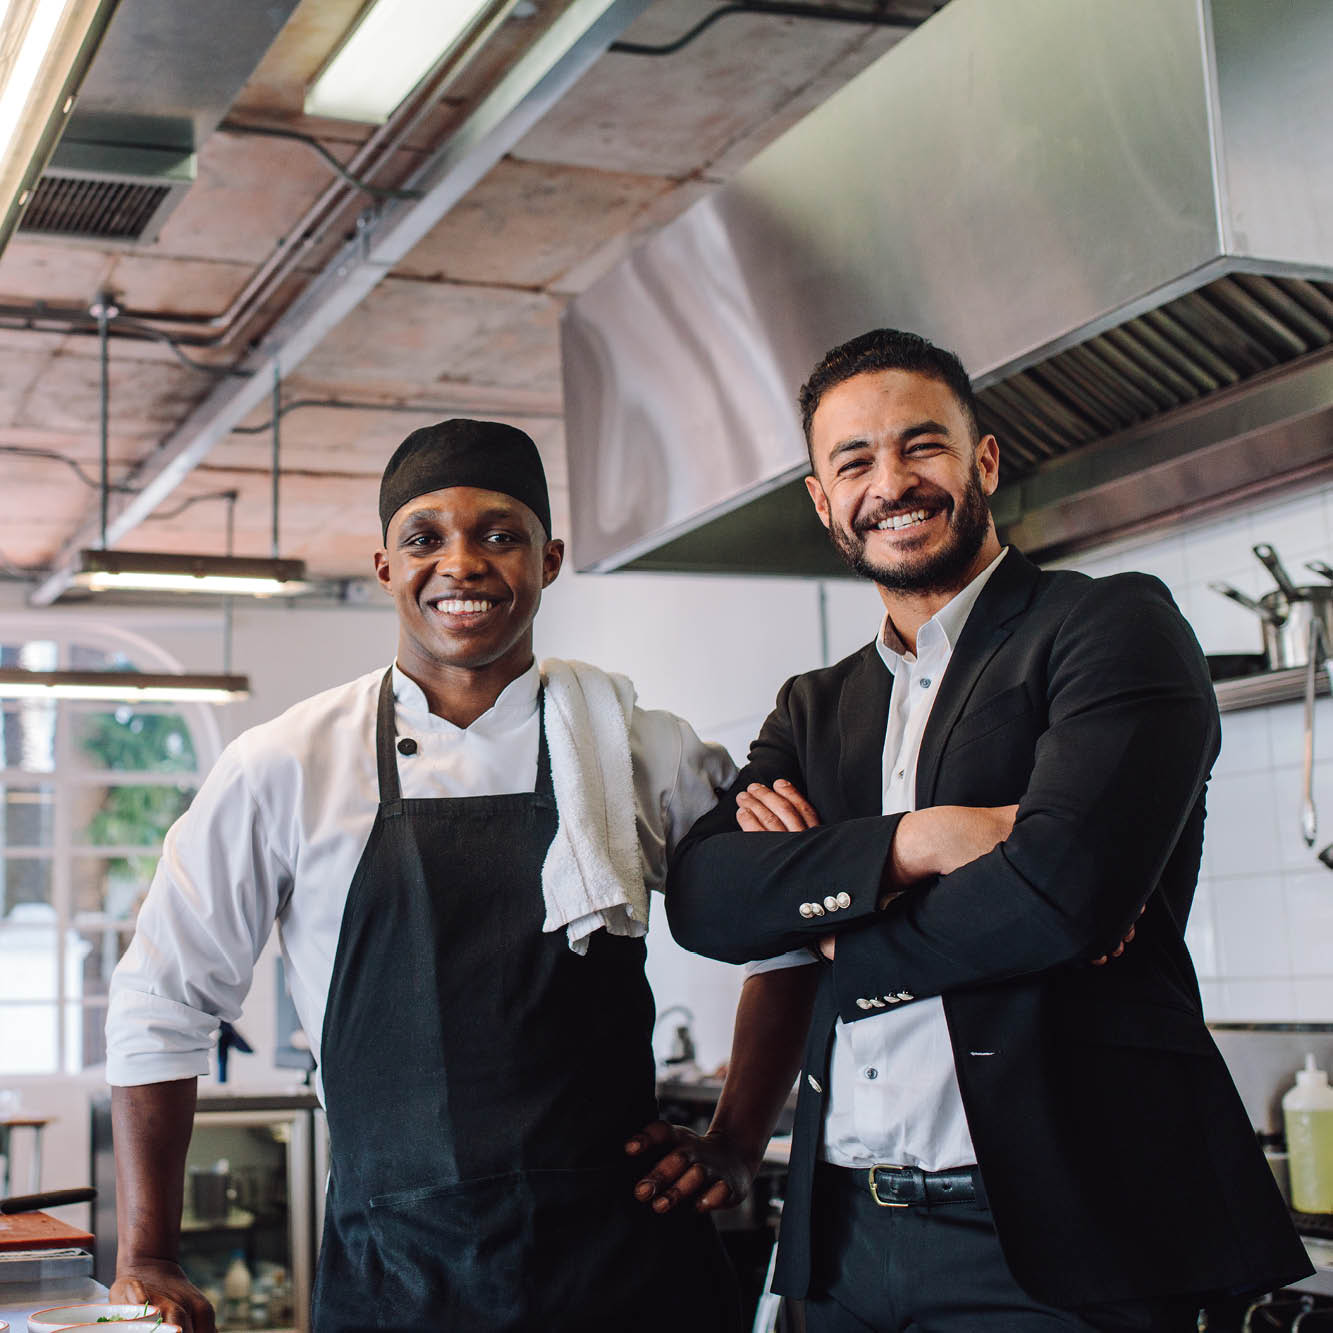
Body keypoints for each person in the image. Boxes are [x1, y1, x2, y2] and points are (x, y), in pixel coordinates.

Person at [662, 330, 1313, 1331]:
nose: (891, 481)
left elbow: (1060, 894)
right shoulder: (813, 706)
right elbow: (706, 898)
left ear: (984, 462)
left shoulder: (1105, 626)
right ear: (823, 499)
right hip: (839, 1240)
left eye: (921, 446)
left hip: (1056, 1249)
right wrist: (913, 843)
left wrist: (829, 926)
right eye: (854, 461)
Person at [104, 419, 750, 1333]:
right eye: (425, 538)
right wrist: (149, 1254)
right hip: (399, 1278)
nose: (464, 564)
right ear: (383, 566)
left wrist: (738, 1135)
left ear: (550, 557)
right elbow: (159, 1001)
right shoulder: (285, 764)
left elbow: (790, 927)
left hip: (627, 1270)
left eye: (499, 533)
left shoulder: (643, 748)